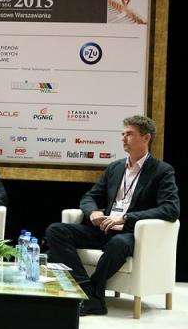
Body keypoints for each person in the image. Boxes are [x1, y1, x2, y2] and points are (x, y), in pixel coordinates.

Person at [46, 115, 180, 315]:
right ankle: (89, 292)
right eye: (123, 134)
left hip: (131, 232)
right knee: (56, 230)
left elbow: (170, 208)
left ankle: (91, 297)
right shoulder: (115, 167)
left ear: (146, 138)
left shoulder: (161, 171)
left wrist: (127, 218)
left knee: (118, 243)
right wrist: (93, 212)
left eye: (129, 134)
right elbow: (90, 196)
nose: (123, 138)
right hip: (104, 228)